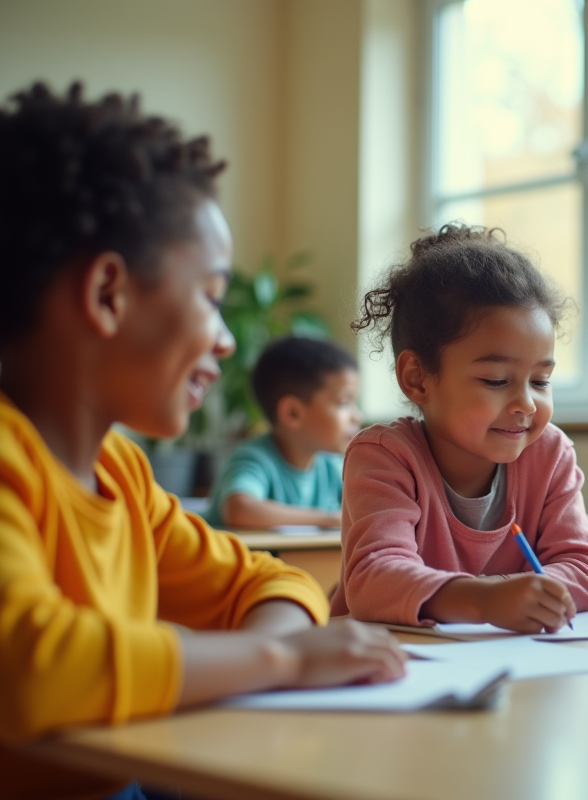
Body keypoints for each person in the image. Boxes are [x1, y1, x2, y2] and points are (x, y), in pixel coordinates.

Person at [0, 83, 406, 800]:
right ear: (107, 294)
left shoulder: (119, 472)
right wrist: (280, 660)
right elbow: (33, 670)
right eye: (212, 295)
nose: (225, 340)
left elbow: (271, 580)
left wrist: (265, 646)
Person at [330, 224, 588, 633]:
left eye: (541, 381)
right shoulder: (385, 455)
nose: (527, 403)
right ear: (418, 378)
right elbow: (373, 579)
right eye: (496, 380)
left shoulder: (550, 453)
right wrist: (486, 600)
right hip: (393, 667)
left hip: (510, 663)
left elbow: (583, 568)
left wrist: (513, 597)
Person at [207, 336, 361, 529]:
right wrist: (327, 519)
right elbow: (239, 509)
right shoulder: (255, 458)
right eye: (344, 402)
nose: (357, 416)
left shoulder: (332, 467)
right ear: (293, 413)